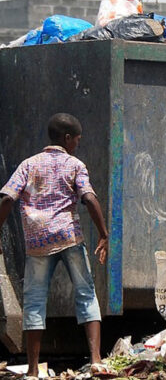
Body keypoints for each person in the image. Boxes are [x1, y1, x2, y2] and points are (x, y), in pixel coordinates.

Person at [0, 113, 109, 377]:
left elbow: (6, 198)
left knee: (35, 301)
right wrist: (104, 234)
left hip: (37, 242)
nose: (78, 145)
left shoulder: (29, 164)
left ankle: (34, 370)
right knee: (86, 293)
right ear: (67, 138)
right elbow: (90, 198)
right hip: (68, 237)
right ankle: (95, 359)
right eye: (77, 140)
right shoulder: (74, 165)